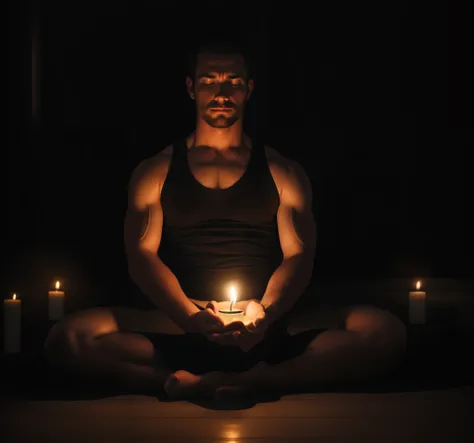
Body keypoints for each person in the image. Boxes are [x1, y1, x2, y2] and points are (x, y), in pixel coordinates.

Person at [44, 37, 407, 400]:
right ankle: (177, 383)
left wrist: (265, 312)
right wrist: (190, 317)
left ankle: (263, 381)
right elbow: (142, 257)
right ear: (191, 88)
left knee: (383, 331)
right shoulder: (156, 171)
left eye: (232, 81)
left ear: (248, 89)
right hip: (183, 324)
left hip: (264, 326)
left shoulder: (283, 171)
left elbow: (299, 255)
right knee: (70, 337)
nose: (221, 91)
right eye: (209, 80)